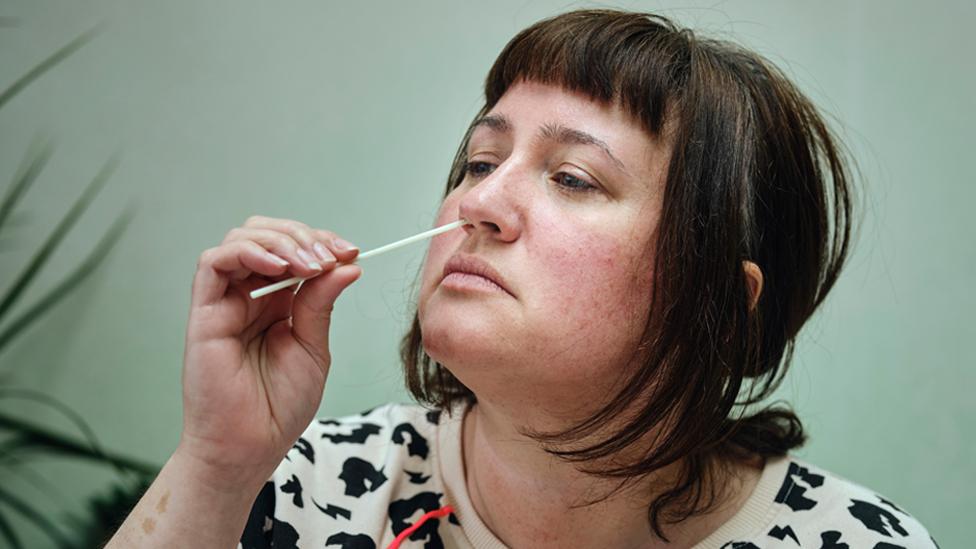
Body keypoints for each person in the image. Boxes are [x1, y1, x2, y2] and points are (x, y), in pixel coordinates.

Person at [105, 9, 937, 549]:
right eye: (478, 160)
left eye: (573, 178)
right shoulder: (305, 485)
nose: (480, 202)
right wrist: (216, 466)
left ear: (721, 310)